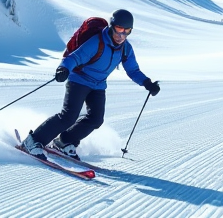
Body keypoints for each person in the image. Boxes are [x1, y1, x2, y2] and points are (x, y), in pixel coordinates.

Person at [21, 9, 160, 160]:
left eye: (127, 31)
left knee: (96, 119)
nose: (122, 35)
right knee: (68, 116)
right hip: (79, 79)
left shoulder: (126, 48)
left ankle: (64, 141)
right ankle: (33, 140)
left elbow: (133, 70)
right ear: (112, 26)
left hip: (98, 85)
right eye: (119, 29)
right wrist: (63, 68)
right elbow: (74, 58)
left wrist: (147, 83)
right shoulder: (97, 42)